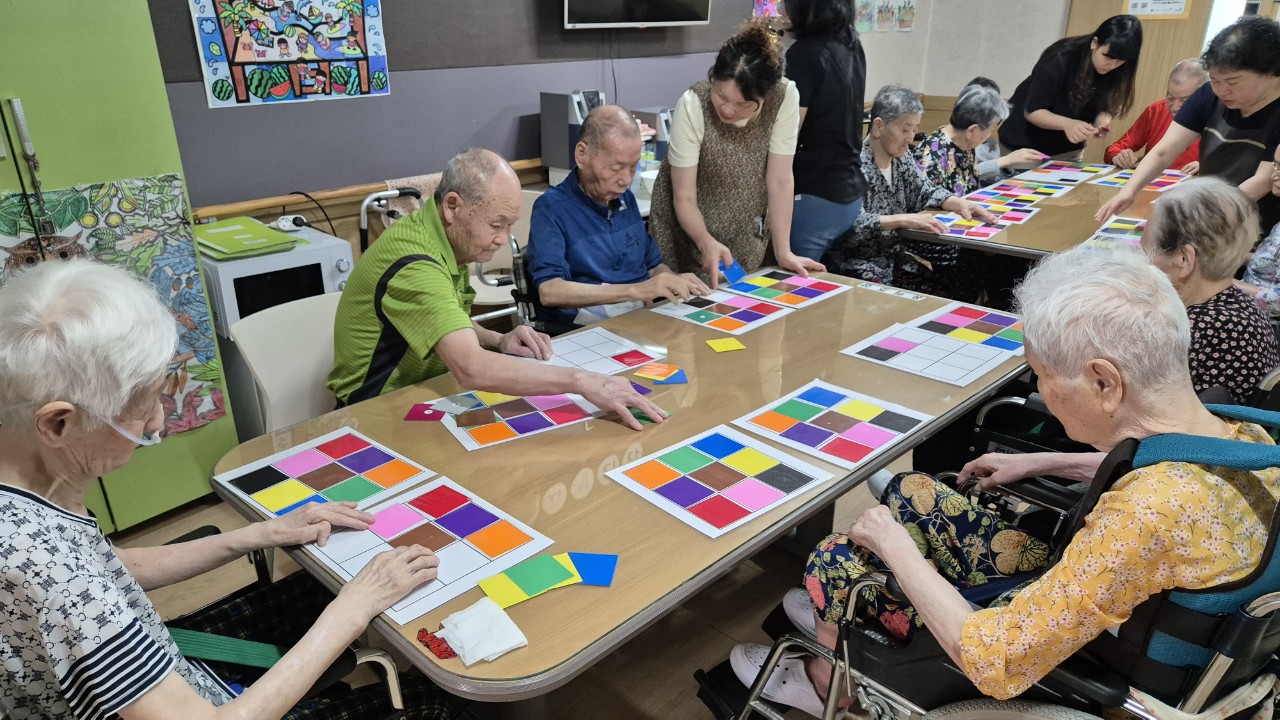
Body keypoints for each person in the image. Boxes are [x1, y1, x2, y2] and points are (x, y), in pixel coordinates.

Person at [729, 245, 1280, 714]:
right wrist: (1044, 462)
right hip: (1106, 592)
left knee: (836, 557)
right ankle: (841, 611)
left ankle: (831, 679)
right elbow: (1157, 462)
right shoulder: (1245, 436)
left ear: (1104, 383)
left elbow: (996, 662)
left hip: (1057, 653)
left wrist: (897, 550)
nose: (1039, 390)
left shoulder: (1147, 514)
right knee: (913, 490)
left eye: (1041, 374)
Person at [0, 259, 471, 719]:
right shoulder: (48, 569)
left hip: (167, 666)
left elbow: (110, 567)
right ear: (58, 424)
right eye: (142, 408)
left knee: (322, 586)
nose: (159, 423)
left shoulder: (29, 489)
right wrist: (356, 608)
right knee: (433, 701)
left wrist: (261, 534)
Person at [328, 148, 665, 430]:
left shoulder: (440, 232)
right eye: (496, 224)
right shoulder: (416, 263)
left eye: (509, 225)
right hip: (376, 413)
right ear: (453, 206)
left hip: (432, 393)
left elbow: (443, 318)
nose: (504, 239)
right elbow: (472, 368)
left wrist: (497, 339)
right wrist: (584, 381)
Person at [648, 19, 823, 287]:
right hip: (689, 225)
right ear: (713, 78)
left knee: (742, 294)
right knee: (695, 301)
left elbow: (780, 179)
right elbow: (684, 197)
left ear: (766, 96)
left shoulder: (784, 96)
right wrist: (704, 240)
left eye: (744, 104)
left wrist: (784, 251)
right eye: (721, 95)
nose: (728, 110)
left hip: (743, 226)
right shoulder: (694, 103)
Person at [527, 106, 709, 327]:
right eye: (616, 168)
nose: (626, 180)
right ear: (582, 154)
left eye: (633, 167)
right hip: (587, 328)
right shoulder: (552, 208)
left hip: (639, 320)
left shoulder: (624, 198)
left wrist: (671, 280)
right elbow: (550, 291)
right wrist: (635, 290)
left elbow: (652, 264)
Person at [1097, 16, 1280, 231]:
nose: (1222, 91)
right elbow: (1164, 151)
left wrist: (1207, 217)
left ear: (1272, 73)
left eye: (1233, 82)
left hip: (1258, 221)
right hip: (1213, 210)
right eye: (1215, 80)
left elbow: (1264, 180)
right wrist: (1129, 191)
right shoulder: (1208, 95)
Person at [824, 85, 995, 289]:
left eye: (914, 129)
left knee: (945, 287)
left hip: (893, 258)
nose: (911, 137)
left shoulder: (901, 157)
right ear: (878, 127)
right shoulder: (852, 165)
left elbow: (923, 190)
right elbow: (852, 223)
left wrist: (959, 203)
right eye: (905, 129)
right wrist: (904, 219)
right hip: (856, 263)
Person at [1139, 177, 1279, 403]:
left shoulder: (1193, 334)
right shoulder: (1238, 305)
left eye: (1147, 254)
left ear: (1184, 259)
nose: (1143, 264)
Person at [781, 0, 867, 262]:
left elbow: (788, 134)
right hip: (850, 192)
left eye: (785, 3)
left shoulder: (805, 53)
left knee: (793, 282)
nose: (780, 10)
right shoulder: (852, 46)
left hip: (814, 195)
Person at [999, 15, 1143, 162]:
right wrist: (1068, 124)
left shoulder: (1120, 69)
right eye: (1108, 57)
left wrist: (1102, 120)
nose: (1112, 65)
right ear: (1094, 43)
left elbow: (1108, 104)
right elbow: (1033, 111)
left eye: (1120, 61)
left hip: (1068, 150)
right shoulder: (1059, 58)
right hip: (1025, 146)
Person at [1104, 58, 1207, 172]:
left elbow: (1223, 165)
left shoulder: (1217, 118)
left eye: (1185, 100)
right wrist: (1118, 156)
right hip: (1153, 180)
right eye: (1170, 97)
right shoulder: (1156, 111)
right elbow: (1115, 149)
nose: (1174, 107)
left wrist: (1209, 167)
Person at [965, 77, 1048, 185]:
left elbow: (998, 171)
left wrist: (1011, 168)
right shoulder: (962, 141)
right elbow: (965, 174)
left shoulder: (990, 141)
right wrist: (1007, 160)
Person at [1236, 145, 1280, 313]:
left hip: (1264, 320)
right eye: (1275, 165)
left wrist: (1223, 284)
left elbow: (1277, 301)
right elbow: (1269, 263)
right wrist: (1224, 257)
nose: (1274, 175)